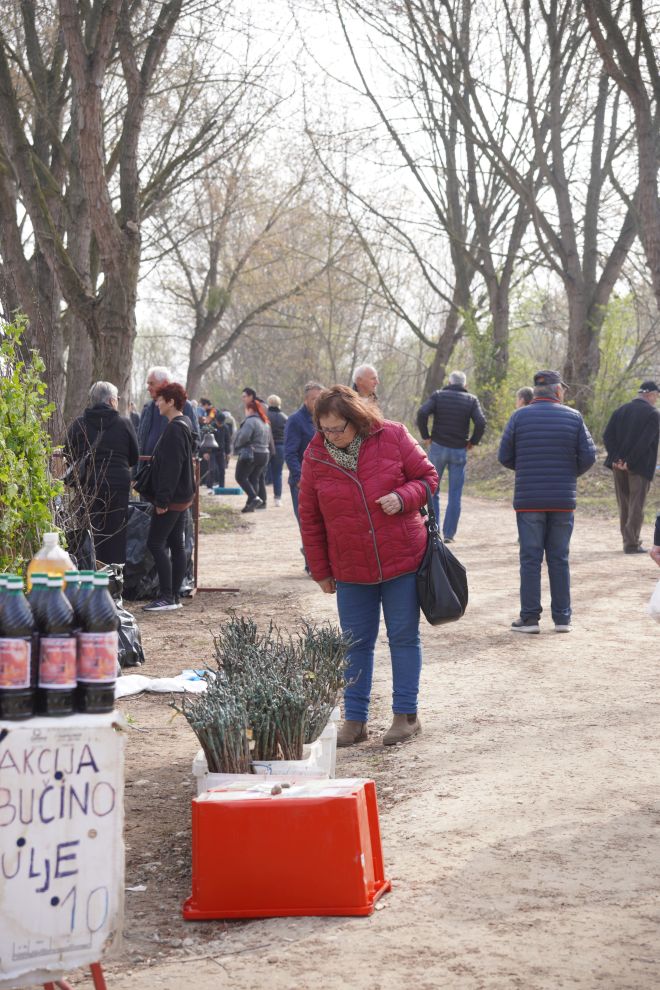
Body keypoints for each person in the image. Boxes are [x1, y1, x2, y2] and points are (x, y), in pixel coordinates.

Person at [299, 385, 438, 748]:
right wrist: (321, 570)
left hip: (402, 559)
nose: (331, 436)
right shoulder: (315, 455)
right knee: (355, 644)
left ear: (356, 419)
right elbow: (309, 518)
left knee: (403, 637)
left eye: (337, 429)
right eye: (324, 429)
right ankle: (355, 720)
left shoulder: (392, 435)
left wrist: (402, 497)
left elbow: (428, 478)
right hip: (349, 567)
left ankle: (406, 716)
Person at [498, 370, 597, 633]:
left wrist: (527, 468)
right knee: (559, 558)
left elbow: (504, 456)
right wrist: (568, 473)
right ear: (556, 391)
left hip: (529, 499)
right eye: (562, 388)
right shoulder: (573, 417)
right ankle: (562, 618)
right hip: (562, 499)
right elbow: (589, 456)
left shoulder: (519, 417)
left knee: (530, 559)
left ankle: (530, 619)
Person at [65, 381, 139, 566]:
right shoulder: (124, 424)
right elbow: (134, 457)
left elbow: (67, 453)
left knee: (89, 534)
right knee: (116, 534)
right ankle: (114, 582)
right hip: (117, 487)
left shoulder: (79, 424)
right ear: (112, 401)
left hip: (88, 486)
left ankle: (90, 576)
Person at [142, 383, 196, 612]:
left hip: (172, 498)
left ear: (171, 401)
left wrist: (162, 501)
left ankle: (167, 596)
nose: (156, 403)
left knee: (155, 543)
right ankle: (173, 595)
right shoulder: (184, 423)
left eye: (160, 399)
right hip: (182, 496)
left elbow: (172, 468)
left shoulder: (176, 428)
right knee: (176, 544)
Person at [416, 370, 486, 541]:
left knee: (433, 490)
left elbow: (422, 413)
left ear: (449, 382)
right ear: (465, 385)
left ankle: (435, 531)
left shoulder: (439, 396)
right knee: (455, 493)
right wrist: (472, 442)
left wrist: (426, 437)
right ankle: (449, 534)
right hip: (459, 450)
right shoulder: (471, 400)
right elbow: (481, 421)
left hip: (438, 447)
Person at [603, 380, 660, 554]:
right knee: (637, 504)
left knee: (625, 504)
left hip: (618, 466)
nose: (657, 399)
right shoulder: (653, 414)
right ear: (650, 394)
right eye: (657, 395)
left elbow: (607, 436)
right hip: (639, 467)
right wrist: (630, 461)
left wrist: (616, 458)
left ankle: (627, 540)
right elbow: (645, 442)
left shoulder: (620, 411)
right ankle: (631, 543)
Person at [137, 366, 200, 456]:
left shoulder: (185, 406)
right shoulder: (147, 408)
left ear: (165, 383)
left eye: (152, 384)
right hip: (145, 468)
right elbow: (139, 440)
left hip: (169, 468)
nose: (148, 388)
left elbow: (195, 443)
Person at [284, 382, 324, 522]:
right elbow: (290, 453)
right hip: (303, 481)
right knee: (307, 524)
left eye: (321, 399)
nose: (318, 402)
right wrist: (299, 478)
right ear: (306, 400)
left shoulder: (326, 419)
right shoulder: (295, 420)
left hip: (323, 480)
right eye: (314, 399)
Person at [233, 391, 271, 512]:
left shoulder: (250, 421)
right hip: (264, 454)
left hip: (252, 453)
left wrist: (237, 444)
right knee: (254, 478)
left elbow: (244, 437)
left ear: (250, 409)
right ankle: (250, 505)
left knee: (240, 477)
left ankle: (254, 497)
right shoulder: (265, 422)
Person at [266, 395, 288, 507]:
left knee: (261, 473)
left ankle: (261, 497)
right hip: (280, 446)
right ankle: (277, 498)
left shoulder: (264, 416)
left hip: (266, 446)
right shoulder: (284, 417)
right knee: (277, 473)